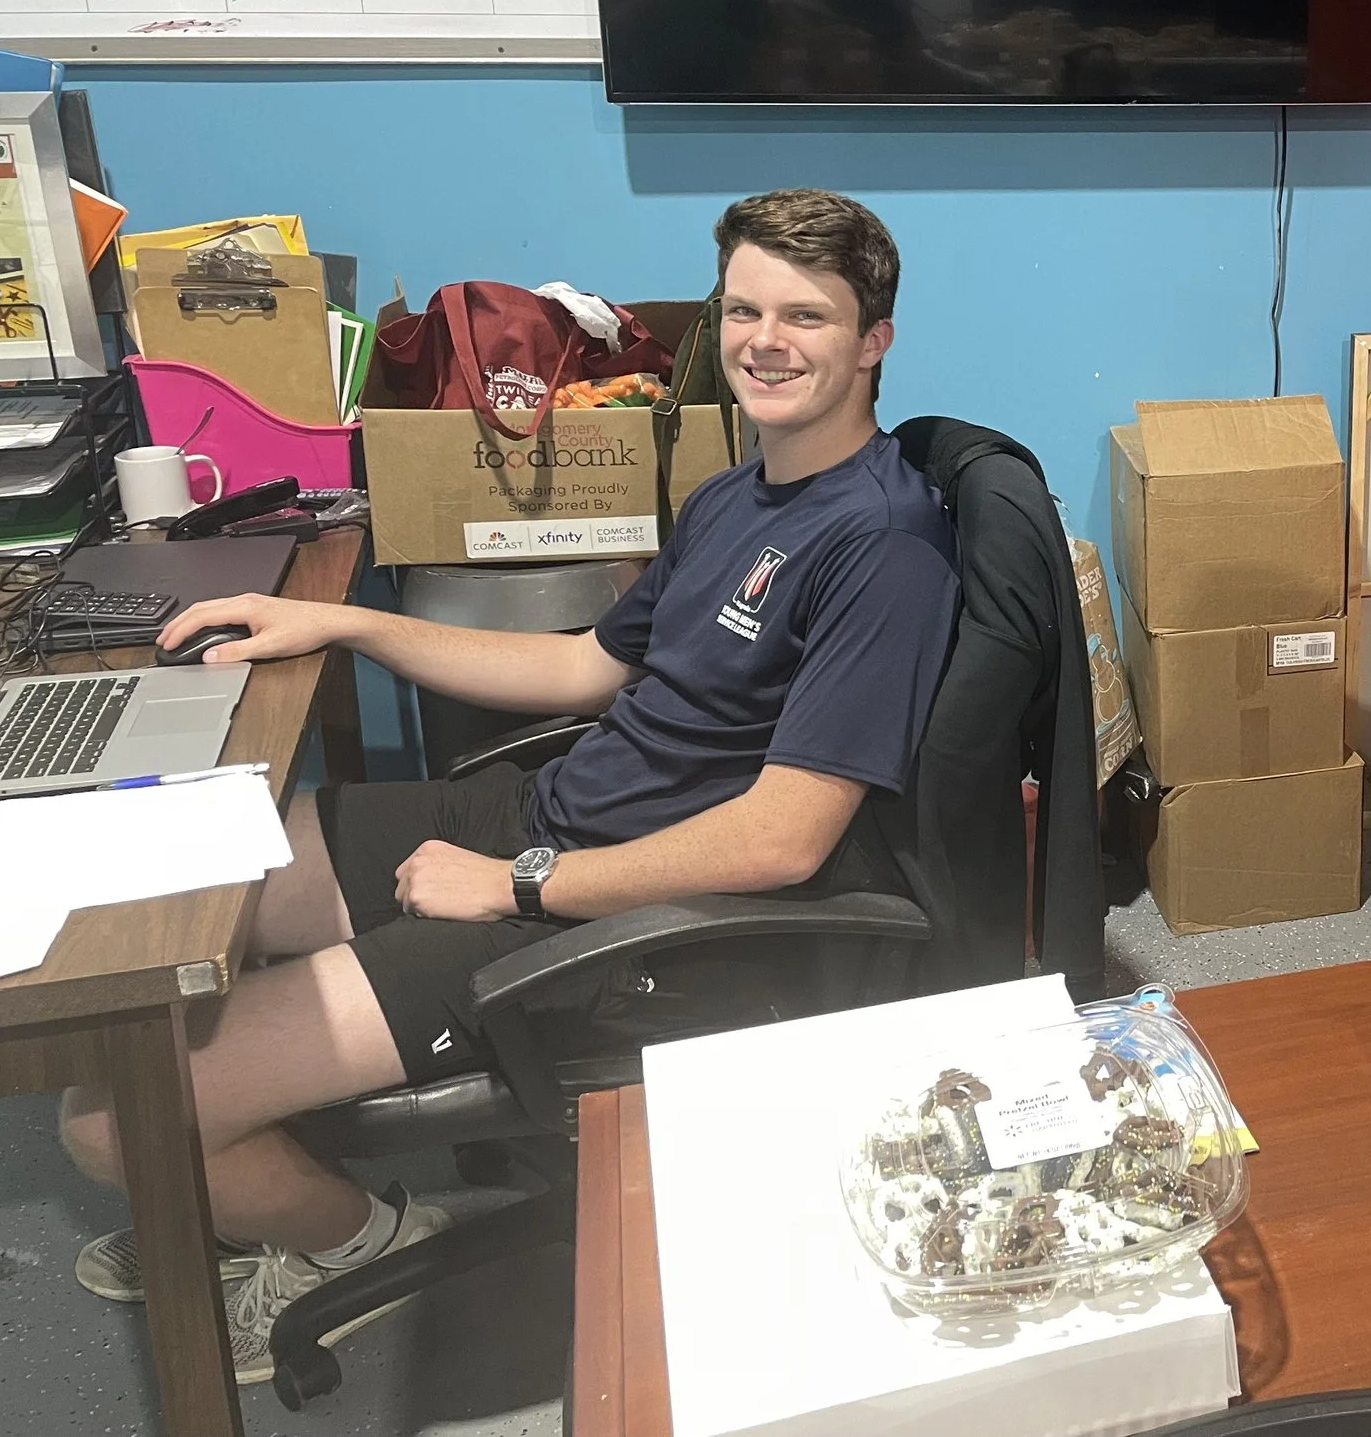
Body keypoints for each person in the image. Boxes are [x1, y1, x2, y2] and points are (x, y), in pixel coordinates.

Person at [56, 189, 961, 1385]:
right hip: (554, 810)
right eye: (745, 310)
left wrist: (517, 886)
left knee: (108, 1119)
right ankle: (233, 1176)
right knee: (183, 879)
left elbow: (784, 840)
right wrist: (342, 622)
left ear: (874, 339)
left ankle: (356, 1238)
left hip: (619, 914)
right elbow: (584, 668)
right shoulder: (735, 494)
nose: (765, 342)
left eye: (807, 316)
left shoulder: (882, 549)